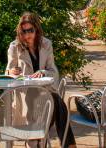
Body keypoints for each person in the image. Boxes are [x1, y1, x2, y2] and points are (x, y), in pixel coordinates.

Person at [6, 12, 76, 148]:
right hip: (25, 93)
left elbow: (53, 72)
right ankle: (67, 145)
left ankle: (37, 143)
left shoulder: (46, 44)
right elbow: (7, 72)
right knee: (57, 102)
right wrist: (11, 72)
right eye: (24, 31)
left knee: (54, 101)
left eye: (30, 30)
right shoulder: (15, 47)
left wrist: (42, 72)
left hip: (44, 91)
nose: (27, 35)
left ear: (36, 29)